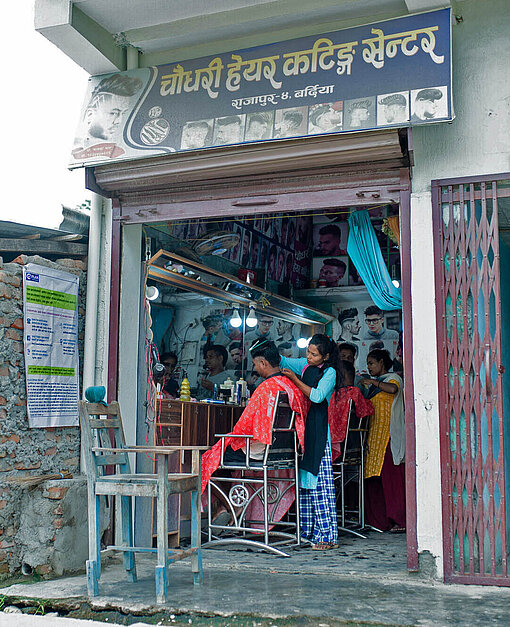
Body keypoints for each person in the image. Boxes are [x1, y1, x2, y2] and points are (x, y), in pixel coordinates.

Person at [200, 340, 309, 494]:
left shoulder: (265, 388)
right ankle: (234, 505)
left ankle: (228, 507)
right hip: (286, 450)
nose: (255, 368)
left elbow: (244, 427)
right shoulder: (291, 386)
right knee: (222, 451)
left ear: (263, 363)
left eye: (255, 364)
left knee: (209, 457)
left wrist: (230, 438)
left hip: (261, 451)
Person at [280, 334, 341, 550]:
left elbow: (317, 396)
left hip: (319, 432)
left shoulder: (330, 373)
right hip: (304, 430)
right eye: (308, 352)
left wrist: (295, 381)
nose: (308, 356)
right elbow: (284, 362)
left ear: (325, 356)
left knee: (321, 484)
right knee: (305, 484)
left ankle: (327, 536)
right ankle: (307, 532)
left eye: (313, 354)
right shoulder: (306, 366)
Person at [359, 349, 405, 532]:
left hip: (389, 437)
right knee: (374, 481)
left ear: (381, 363)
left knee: (391, 481)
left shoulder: (393, 379)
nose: (369, 367)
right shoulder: (374, 386)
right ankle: (380, 521)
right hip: (374, 438)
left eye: (371, 363)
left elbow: (393, 390)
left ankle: (399, 520)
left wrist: (373, 382)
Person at [72, 73, 142, 157]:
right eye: (113, 113)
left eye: (123, 113)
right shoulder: (77, 151)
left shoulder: (117, 151)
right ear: (90, 114)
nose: (118, 121)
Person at [328, 360, 374, 461]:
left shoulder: (339, 394)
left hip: (338, 443)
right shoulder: (353, 393)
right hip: (352, 444)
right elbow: (365, 411)